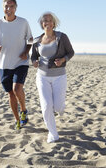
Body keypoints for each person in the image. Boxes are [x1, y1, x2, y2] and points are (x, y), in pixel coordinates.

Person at [0, 0, 33, 130]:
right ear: (3, 8)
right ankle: (17, 120)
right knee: (10, 94)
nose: (9, 9)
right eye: (6, 6)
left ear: (16, 8)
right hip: (4, 65)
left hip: (21, 62)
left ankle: (23, 111)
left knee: (17, 89)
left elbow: (30, 39)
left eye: (11, 6)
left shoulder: (23, 22)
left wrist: (26, 51)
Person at [31, 12, 74, 143]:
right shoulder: (37, 40)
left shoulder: (62, 37)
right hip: (42, 77)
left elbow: (71, 52)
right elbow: (33, 56)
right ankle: (53, 134)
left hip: (59, 76)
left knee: (58, 106)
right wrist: (33, 62)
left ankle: (58, 110)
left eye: (50, 20)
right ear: (41, 24)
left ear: (54, 23)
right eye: (45, 20)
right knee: (46, 106)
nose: (47, 23)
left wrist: (63, 60)